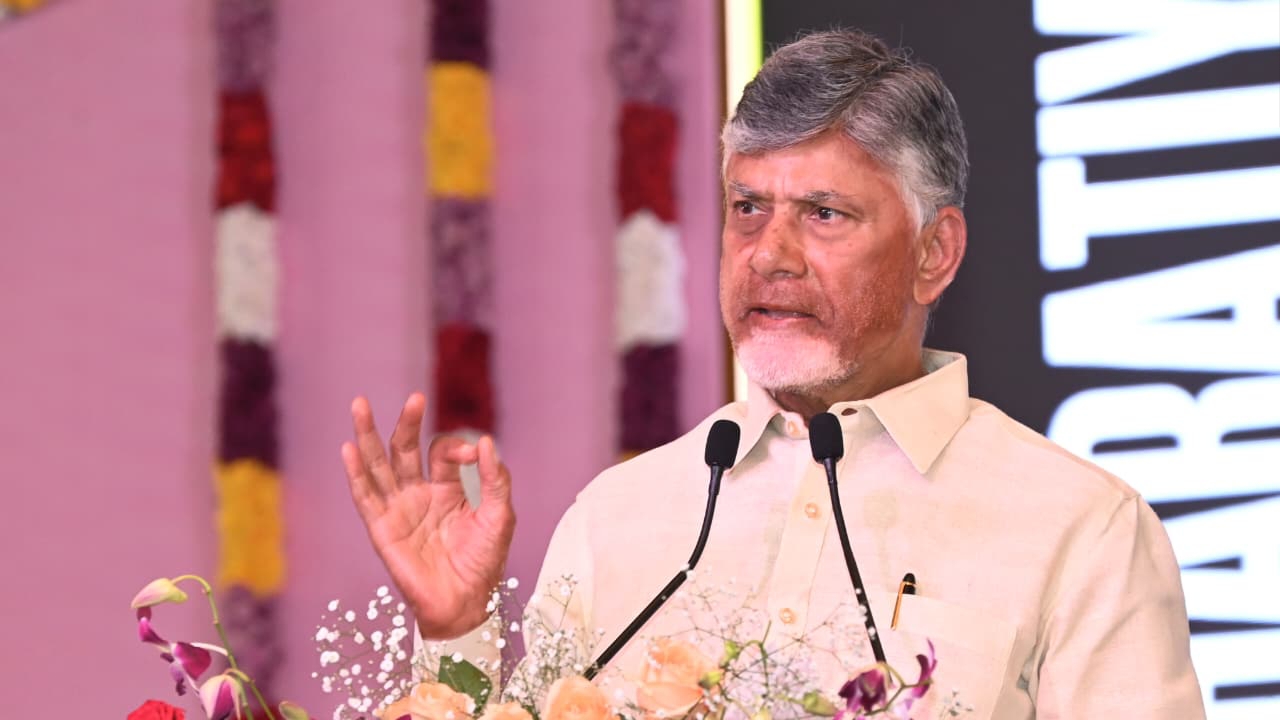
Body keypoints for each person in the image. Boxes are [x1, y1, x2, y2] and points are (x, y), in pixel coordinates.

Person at [340, 29, 1204, 718]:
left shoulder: (1080, 530)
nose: (769, 255)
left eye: (823, 213)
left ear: (934, 253)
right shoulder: (618, 518)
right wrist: (456, 630)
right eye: (748, 208)